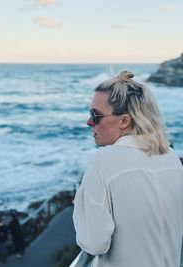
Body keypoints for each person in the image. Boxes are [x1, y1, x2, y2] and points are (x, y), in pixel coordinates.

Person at [73, 70, 183, 267]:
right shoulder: (172, 158)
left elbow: (94, 243)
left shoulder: (104, 161)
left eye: (95, 115)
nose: (89, 122)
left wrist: (80, 199)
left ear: (124, 121)